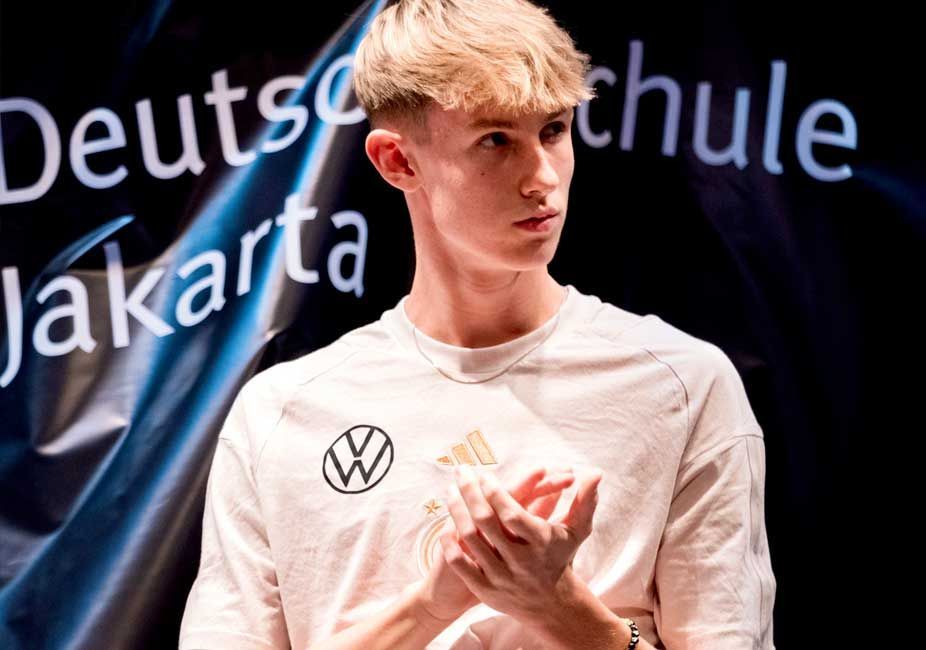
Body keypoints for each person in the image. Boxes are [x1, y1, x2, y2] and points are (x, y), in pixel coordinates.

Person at [178, 0, 777, 648]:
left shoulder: (683, 389)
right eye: (496, 140)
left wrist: (561, 610)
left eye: (553, 130)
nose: (542, 178)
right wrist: (432, 604)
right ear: (398, 162)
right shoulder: (281, 416)